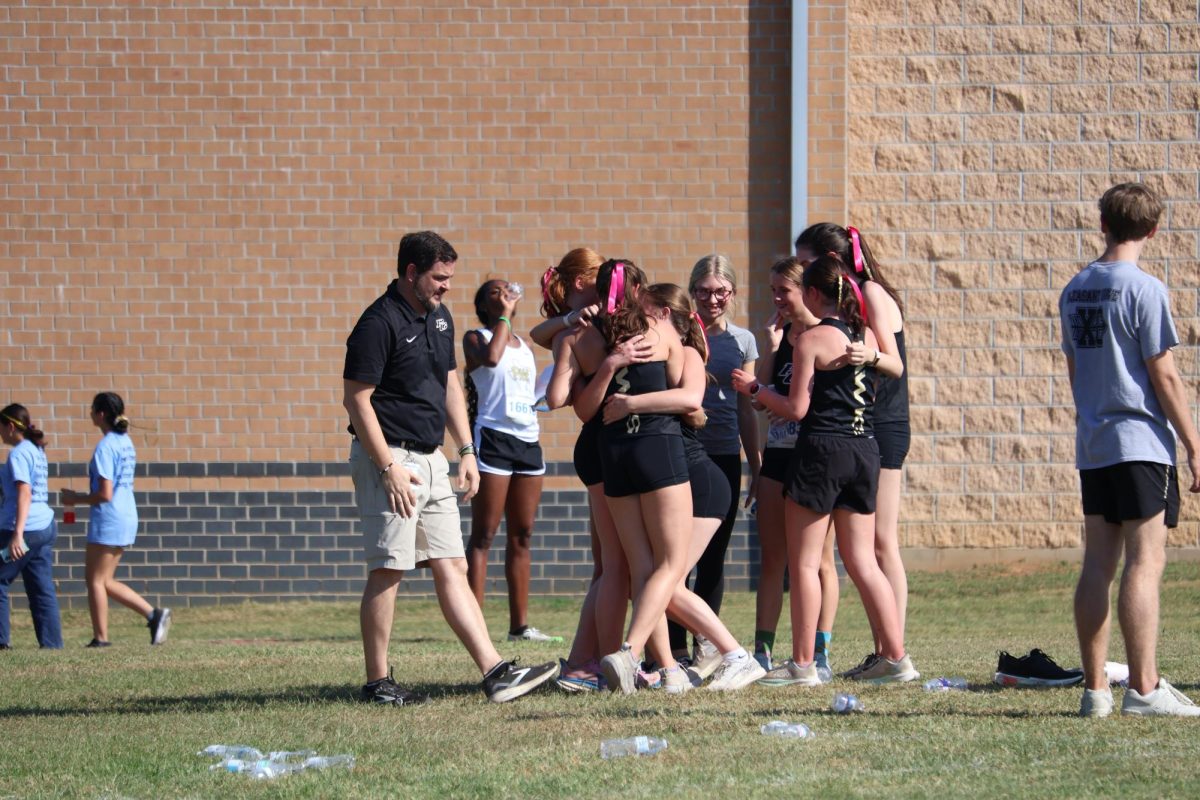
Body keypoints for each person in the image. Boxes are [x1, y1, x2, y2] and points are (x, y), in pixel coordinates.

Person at [343, 231, 557, 705]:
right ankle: (377, 684)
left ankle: (495, 672)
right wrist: (387, 469)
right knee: (389, 568)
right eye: (439, 278)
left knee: (453, 563)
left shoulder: (439, 318)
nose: (446, 288)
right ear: (411, 273)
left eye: (450, 278)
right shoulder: (378, 323)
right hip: (390, 457)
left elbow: (450, 385)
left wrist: (465, 450)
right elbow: (356, 400)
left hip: (433, 457)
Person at [731, 255, 917, 686]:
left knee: (805, 562)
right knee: (862, 562)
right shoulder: (863, 334)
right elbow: (893, 365)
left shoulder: (811, 339)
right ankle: (897, 656)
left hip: (822, 451)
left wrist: (755, 389)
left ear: (814, 294)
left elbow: (796, 409)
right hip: (865, 447)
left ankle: (801, 665)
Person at [1060, 183, 1200, 718]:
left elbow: (1075, 370)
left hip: (1095, 444)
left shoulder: (1074, 289)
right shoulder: (1146, 289)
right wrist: (1193, 444)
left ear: (1104, 223)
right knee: (1146, 563)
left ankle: (1095, 691)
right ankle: (1143, 688)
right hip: (1141, 444)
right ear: (1153, 229)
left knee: (1098, 564)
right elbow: (1163, 373)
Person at [589, 282, 764, 692]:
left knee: (664, 578)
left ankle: (731, 655)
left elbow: (689, 399)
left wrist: (629, 404)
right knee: (652, 579)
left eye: (646, 311)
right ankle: (671, 670)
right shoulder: (649, 350)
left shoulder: (684, 351)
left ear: (666, 314)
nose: (639, 320)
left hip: (700, 482)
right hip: (665, 473)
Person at [794, 223, 910, 678]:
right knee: (863, 549)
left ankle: (892, 650)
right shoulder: (837, 309)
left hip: (878, 425)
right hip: (856, 429)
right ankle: (888, 652)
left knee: (880, 544)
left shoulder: (870, 294)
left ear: (830, 261)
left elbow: (891, 362)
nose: (803, 274)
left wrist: (869, 357)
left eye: (807, 264)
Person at [531, 247, 622, 691]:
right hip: (610, 444)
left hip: (595, 447)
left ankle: (581, 662)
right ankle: (598, 663)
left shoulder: (573, 328)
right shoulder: (591, 321)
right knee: (617, 567)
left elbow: (555, 385)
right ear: (584, 279)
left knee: (606, 566)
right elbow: (556, 390)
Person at [748, 256, 838, 673]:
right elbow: (757, 393)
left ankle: (819, 650)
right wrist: (771, 346)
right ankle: (762, 649)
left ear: (808, 291)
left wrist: (781, 402)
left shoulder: (826, 336)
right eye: (773, 291)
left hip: (816, 458)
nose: (778, 299)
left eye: (784, 290)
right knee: (774, 558)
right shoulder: (784, 339)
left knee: (819, 560)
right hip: (779, 455)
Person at [462, 279, 558, 643]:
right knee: (484, 535)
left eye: (507, 291)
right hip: (494, 440)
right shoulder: (476, 338)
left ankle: (519, 627)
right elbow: (491, 359)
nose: (503, 295)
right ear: (484, 306)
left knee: (523, 535)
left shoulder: (525, 348)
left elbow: (526, 392)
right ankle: (474, 625)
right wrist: (503, 317)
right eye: (493, 292)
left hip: (527, 440)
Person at [678, 255, 761, 669]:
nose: (713, 299)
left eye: (721, 292)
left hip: (725, 455)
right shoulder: (678, 333)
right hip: (680, 453)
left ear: (732, 293)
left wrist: (756, 465)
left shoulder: (743, 341)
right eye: (705, 291)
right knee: (675, 558)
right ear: (692, 290)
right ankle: (673, 648)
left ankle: (706, 646)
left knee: (714, 556)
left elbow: (746, 409)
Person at [61, 393, 170, 647]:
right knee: (105, 580)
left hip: (109, 517)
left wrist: (74, 499)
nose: (89, 413)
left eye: (92, 410)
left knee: (95, 580)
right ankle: (154, 616)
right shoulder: (125, 441)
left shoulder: (106, 446)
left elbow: (104, 493)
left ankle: (101, 638)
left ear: (101, 414)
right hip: (126, 513)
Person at [0, 404, 62, 650]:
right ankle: (52, 645)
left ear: (11, 426)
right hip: (44, 528)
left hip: (24, 532)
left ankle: (2, 643)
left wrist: (17, 535)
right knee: (41, 587)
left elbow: (24, 492)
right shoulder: (36, 449)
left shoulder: (18, 454)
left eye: (1, 429)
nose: (0, 435)